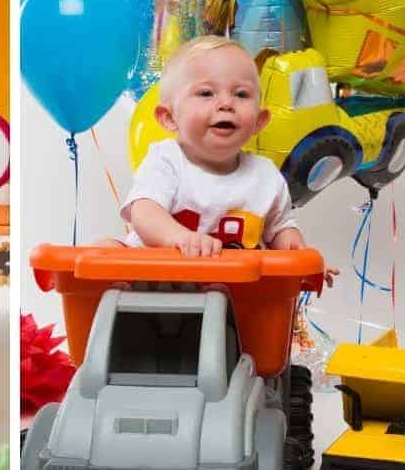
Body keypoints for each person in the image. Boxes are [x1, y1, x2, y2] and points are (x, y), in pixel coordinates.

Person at [120, 35, 338, 286]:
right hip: (156, 288)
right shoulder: (167, 159)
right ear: (169, 118)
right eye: (206, 93)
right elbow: (144, 211)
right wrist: (179, 238)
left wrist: (299, 255)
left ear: (259, 120)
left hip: (238, 295)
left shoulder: (265, 175)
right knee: (108, 250)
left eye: (241, 94)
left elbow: (279, 229)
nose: (226, 103)